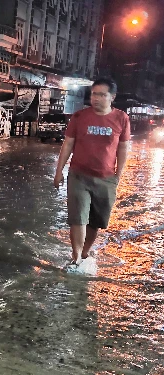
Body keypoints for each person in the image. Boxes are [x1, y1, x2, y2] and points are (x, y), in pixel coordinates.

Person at [53, 77, 130, 270]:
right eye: (94, 94)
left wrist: (117, 176)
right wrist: (59, 171)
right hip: (78, 175)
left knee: (95, 221)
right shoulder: (79, 117)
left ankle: (86, 251)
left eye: (101, 95)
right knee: (78, 217)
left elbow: (122, 149)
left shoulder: (121, 118)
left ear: (112, 97)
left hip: (105, 178)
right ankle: (76, 255)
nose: (96, 98)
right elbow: (68, 145)